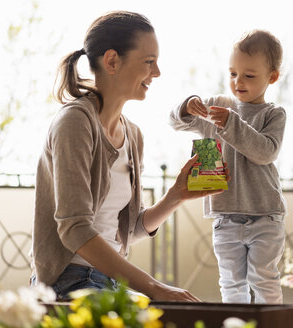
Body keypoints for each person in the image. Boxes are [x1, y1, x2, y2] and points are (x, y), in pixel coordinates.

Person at [30, 11, 226, 302]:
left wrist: (176, 195)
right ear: (112, 61)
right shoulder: (75, 123)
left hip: (109, 282)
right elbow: (74, 228)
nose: (157, 72)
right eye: (149, 62)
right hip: (67, 281)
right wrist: (154, 287)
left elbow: (127, 230)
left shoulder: (132, 135)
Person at [169, 30, 287, 304]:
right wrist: (187, 107)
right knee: (231, 284)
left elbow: (265, 152)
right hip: (225, 218)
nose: (238, 82)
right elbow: (175, 122)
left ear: (272, 77)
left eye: (249, 75)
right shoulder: (217, 106)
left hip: (265, 216)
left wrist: (231, 123)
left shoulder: (273, 114)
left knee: (264, 280)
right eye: (233, 73)